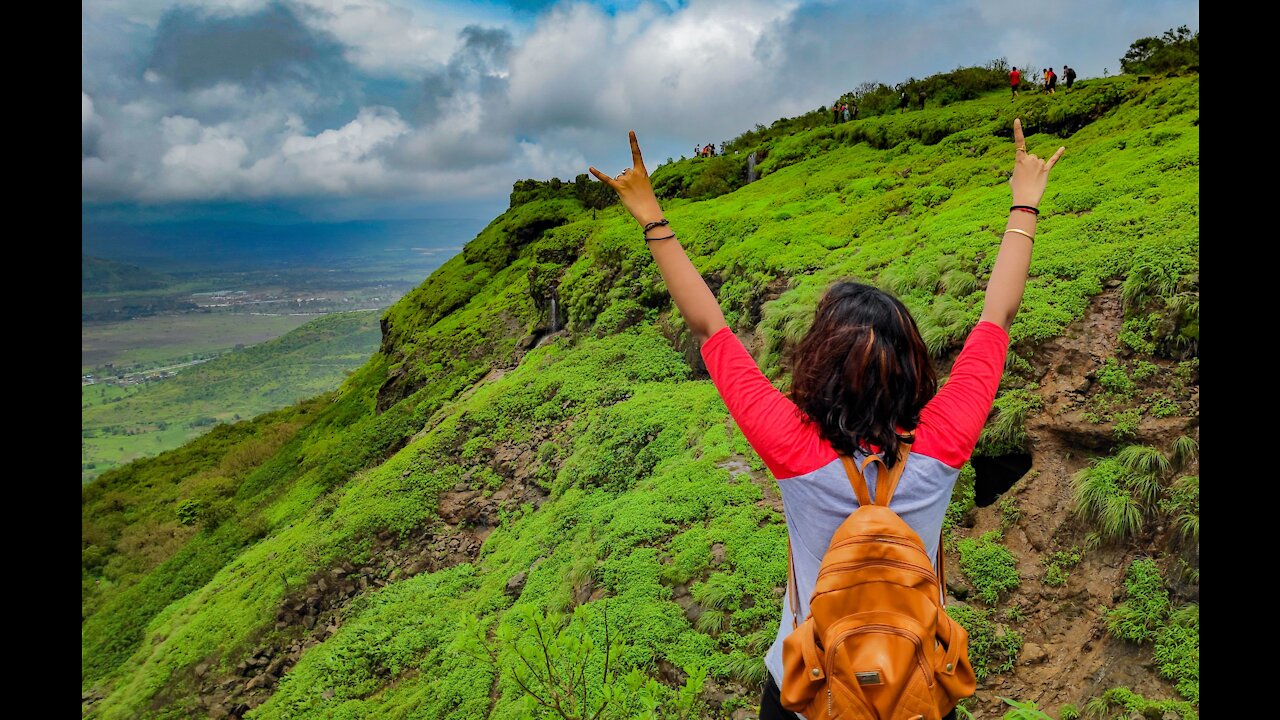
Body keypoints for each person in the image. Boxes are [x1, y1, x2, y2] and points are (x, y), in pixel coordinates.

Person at [589, 121, 1066, 720]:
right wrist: (1025, 201)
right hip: (916, 688)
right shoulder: (945, 440)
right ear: (915, 365)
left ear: (816, 362)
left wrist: (651, 215)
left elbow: (710, 327)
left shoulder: (793, 447)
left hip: (808, 691)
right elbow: (999, 314)